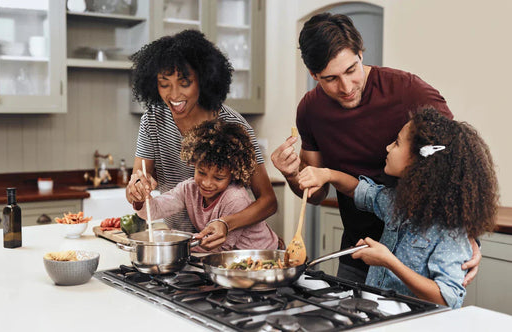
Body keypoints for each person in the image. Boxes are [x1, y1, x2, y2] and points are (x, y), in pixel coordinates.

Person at [271, 13, 481, 284]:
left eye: (351, 70)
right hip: (359, 252)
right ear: (313, 75)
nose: (346, 87)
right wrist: (292, 174)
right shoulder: (310, 110)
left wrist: (467, 235)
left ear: (361, 53)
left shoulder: (409, 91)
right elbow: (316, 193)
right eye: (331, 79)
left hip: (422, 258)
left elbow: (458, 160)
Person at [297, 108, 498, 308]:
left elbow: (447, 299)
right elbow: (359, 190)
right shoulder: (397, 202)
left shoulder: (451, 230)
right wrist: (328, 175)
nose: (387, 147)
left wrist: (389, 261)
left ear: (418, 161)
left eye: (397, 143)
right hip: (380, 314)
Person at [127, 30, 277, 250]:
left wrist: (225, 224)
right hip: (183, 244)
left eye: (184, 82)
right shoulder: (152, 120)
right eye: (164, 83)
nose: (174, 94)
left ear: (203, 80)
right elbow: (139, 186)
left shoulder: (234, 126)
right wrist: (136, 190)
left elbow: (268, 202)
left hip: (227, 249)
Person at [136, 120, 279, 252]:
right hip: (229, 258)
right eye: (201, 172)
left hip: (262, 255)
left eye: (218, 177)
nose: (206, 183)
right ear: (193, 164)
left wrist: (174, 242)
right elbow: (153, 211)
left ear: (233, 174)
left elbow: (219, 247)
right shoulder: (189, 189)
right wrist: (141, 199)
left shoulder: (234, 198)